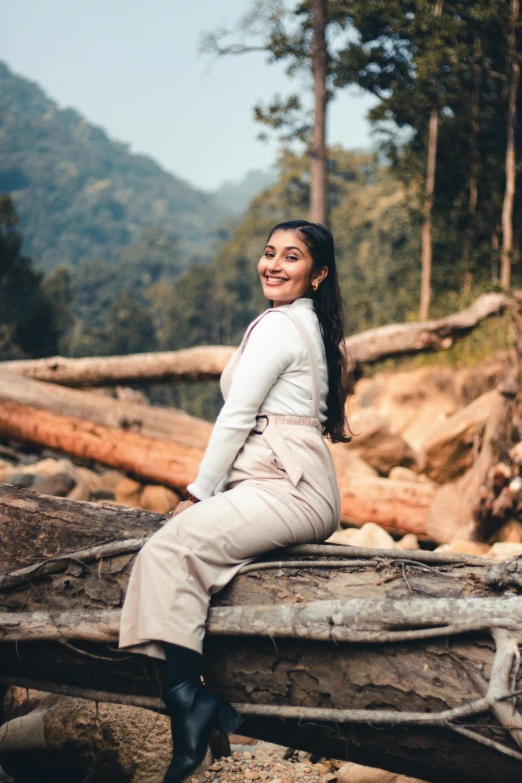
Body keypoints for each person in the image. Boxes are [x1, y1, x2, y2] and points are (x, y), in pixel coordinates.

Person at [119, 219, 351, 783]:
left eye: (291, 257)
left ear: (317, 274)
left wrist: (196, 495)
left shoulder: (280, 326)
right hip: (284, 483)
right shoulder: (303, 323)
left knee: (167, 550)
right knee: (181, 551)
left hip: (287, 487)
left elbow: (237, 418)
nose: (273, 264)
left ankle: (188, 700)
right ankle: (201, 718)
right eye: (269, 253)